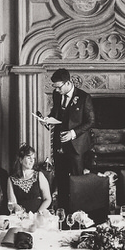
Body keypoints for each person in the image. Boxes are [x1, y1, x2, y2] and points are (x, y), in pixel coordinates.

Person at [44, 68, 94, 210]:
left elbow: (91, 122)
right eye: (55, 87)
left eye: (59, 87)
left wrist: (73, 133)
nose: (57, 90)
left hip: (76, 147)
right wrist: (48, 119)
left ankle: (79, 213)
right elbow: (56, 113)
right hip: (60, 145)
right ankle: (63, 213)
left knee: (77, 181)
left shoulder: (84, 98)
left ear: (68, 83)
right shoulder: (57, 94)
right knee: (61, 180)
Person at [8, 144, 52, 214]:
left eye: (33, 158)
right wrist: (19, 210)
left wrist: (38, 213)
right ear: (21, 160)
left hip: (38, 215)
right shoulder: (11, 179)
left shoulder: (39, 175)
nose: (32, 161)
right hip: (21, 217)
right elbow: (12, 202)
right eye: (29, 158)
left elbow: (48, 199)